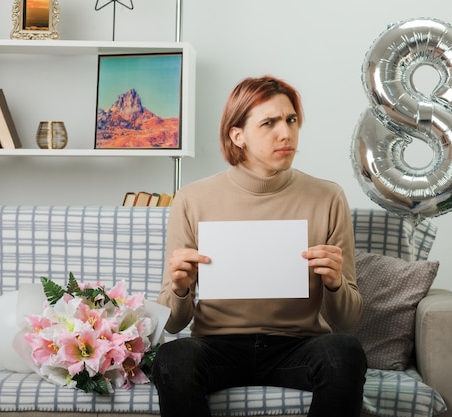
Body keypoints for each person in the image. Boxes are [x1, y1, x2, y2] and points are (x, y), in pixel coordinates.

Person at [152, 75, 367, 417]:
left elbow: (348, 318)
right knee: (173, 357)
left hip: (297, 346)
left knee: (344, 350)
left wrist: (336, 282)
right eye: (269, 123)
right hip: (216, 346)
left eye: (291, 120)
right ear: (238, 135)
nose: (286, 133)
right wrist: (179, 288)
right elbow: (174, 325)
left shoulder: (328, 197)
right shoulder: (192, 199)